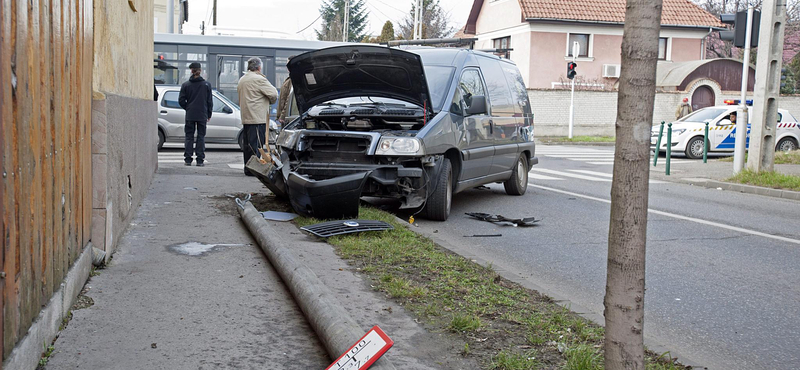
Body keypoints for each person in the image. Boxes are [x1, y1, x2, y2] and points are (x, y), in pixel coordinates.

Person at [237, 57, 278, 176]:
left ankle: (248, 168)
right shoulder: (259, 79)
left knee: (248, 145)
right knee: (257, 145)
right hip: (257, 117)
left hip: (246, 116)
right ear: (259, 67)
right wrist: (270, 101)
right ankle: (253, 169)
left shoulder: (243, 79)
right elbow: (273, 93)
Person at [179, 62, 213, 166]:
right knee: (201, 137)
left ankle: (188, 159)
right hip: (202, 114)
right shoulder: (206, 85)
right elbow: (209, 101)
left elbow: (181, 100)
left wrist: (188, 108)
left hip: (190, 114)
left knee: (189, 137)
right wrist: (209, 114)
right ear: (200, 70)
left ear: (191, 71)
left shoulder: (186, 85)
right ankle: (200, 160)